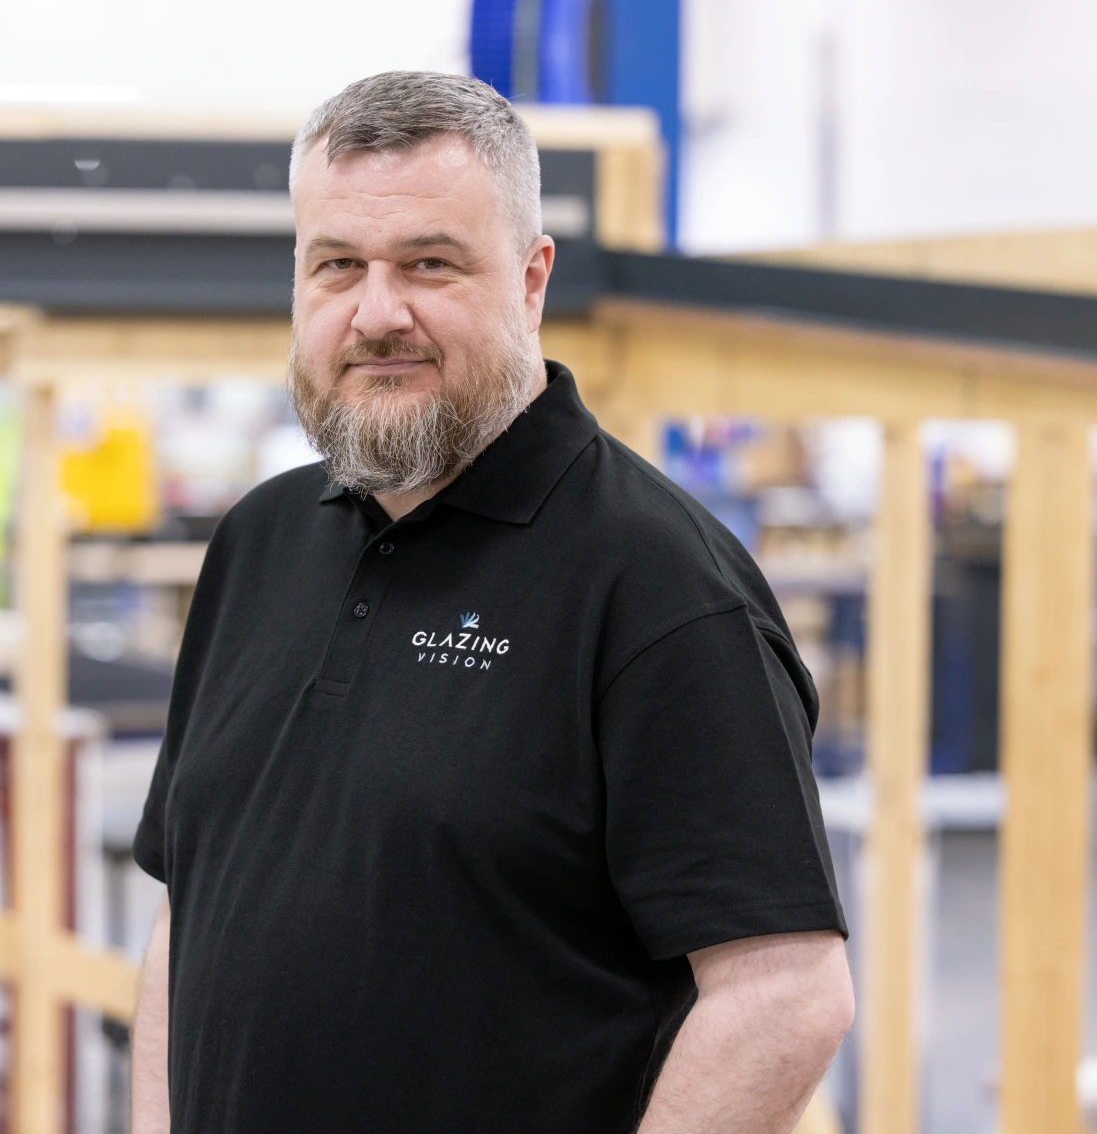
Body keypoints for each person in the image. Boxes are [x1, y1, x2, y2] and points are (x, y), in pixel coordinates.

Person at [130, 70, 853, 1134]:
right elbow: (189, 913)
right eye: (338, 266)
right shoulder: (259, 541)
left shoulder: (657, 583)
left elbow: (785, 994)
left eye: (430, 263)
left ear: (528, 278)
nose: (378, 313)